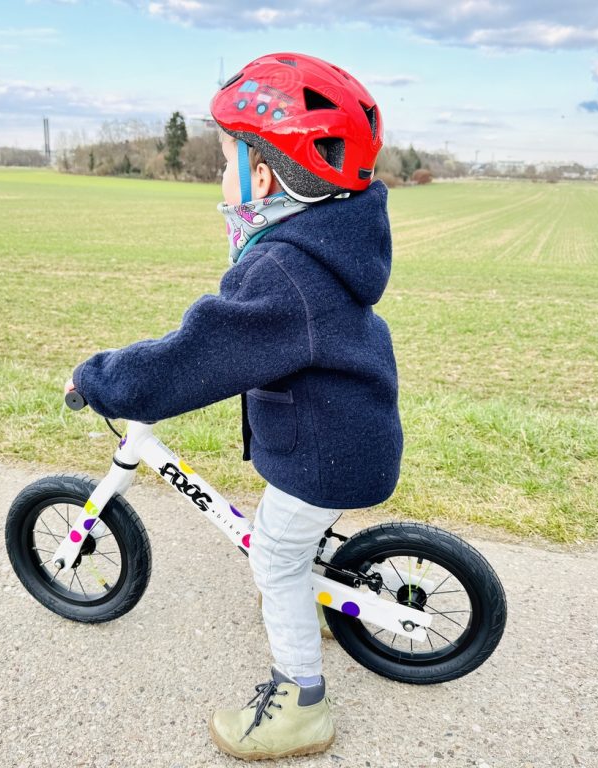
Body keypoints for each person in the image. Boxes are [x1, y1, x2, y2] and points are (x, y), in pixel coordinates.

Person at [67, 52, 402, 760]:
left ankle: (301, 705)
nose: (219, 178)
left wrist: (103, 379)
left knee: (274, 562)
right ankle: (302, 596)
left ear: (264, 175)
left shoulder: (287, 271)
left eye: (225, 160)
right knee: (289, 545)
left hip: (329, 452)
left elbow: (195, 357)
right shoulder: (327, 244)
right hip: (348, 434)